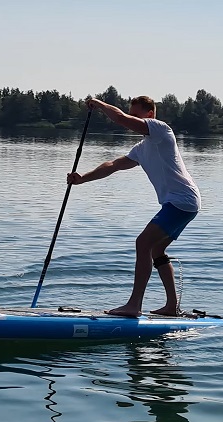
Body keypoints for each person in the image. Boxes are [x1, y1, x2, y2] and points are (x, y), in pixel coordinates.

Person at [67, 96, 201, 317]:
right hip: (183, 203)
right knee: (156, 250)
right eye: (131, 114)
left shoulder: (161, 130)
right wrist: (82, 179)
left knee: (143, 243)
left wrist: (99, 104)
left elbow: (121, 119)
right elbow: (114, 165)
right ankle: (171, 307)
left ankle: (134, 306)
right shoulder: (141, 148)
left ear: (150, 115)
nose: (132, 119)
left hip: (181, 201)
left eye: (136, 115)